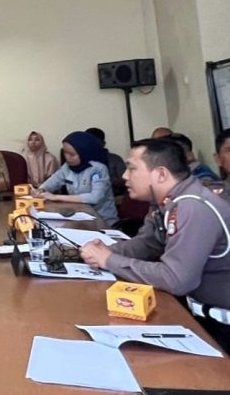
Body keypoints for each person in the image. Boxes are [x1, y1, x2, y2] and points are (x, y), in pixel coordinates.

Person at [80, 139, 230, 352]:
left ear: (160, 174)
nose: (124, 176)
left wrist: (109, 260)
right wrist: (101, 252)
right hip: (196, 312)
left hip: (220, 328)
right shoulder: (167, 202)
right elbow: (148, 245)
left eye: (132, 168)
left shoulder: (192, 206)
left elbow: (176, 279)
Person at [35, 131, 118, 225]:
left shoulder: (98, 169)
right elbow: (52, 182)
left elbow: (95, 197)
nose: (67, 158)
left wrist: (55, 197)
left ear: (84, 153)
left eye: (72, 154)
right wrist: (40, 190)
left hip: (102, 221)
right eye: (65, 152)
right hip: (79, 218)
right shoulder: (67, 167)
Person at [85, 127, 127, 196]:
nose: (91, 146)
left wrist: (107, 177)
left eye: (95, 143)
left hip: (114, 196)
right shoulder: (80, 160)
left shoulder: (115, 159)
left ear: (103, 143)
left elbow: (125, 181)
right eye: (88, 143)